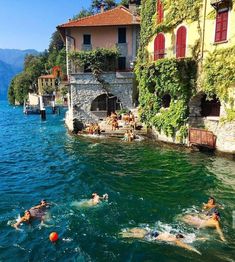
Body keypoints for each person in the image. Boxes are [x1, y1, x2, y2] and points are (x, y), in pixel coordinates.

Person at [119, 228, 201, 254]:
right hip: (153, 234)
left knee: (136, 232)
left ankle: (121, 234)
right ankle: (122, 234)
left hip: (153, 234)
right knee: (137, 232)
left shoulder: (174, 238)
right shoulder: (174, 238)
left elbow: (186, 244)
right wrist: (196, 249)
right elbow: (187, 243)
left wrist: (195, 250)